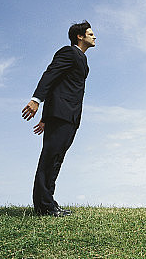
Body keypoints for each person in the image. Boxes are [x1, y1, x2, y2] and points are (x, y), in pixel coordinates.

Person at [21, 21, 95, 217]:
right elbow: (50, 76)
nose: (94, 37)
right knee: (49, 158)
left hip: (70, 116)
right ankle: (43, 206)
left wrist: (45, 119)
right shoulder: (68, 52)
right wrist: (36, 100)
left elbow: (62, 85)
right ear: (79, 36)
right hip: (60, 114)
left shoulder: (82, 60)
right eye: (90, 33)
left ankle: (49, 203)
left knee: (57, 159)